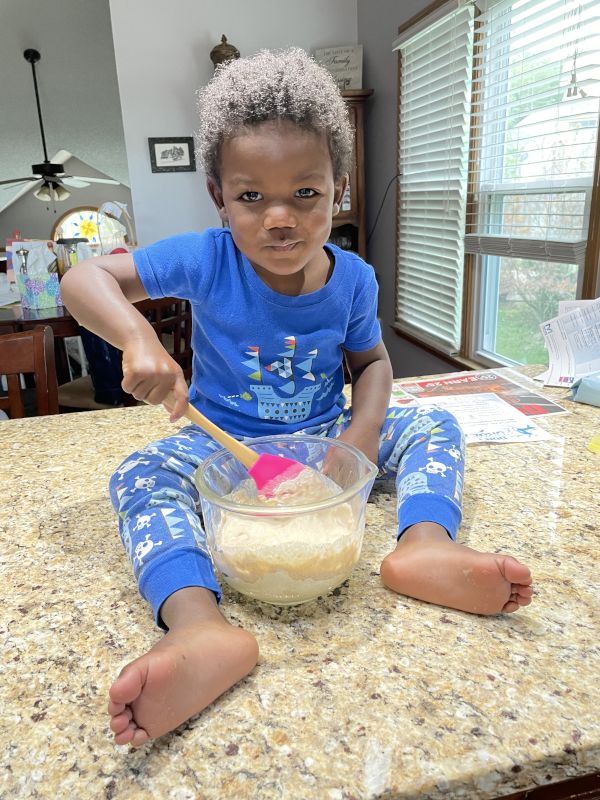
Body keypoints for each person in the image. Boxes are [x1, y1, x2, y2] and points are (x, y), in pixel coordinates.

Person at [61, 48, 533, 748]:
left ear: (338, 190)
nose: (279, 219)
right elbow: (84, 283)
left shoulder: (355, 280)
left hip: (326, 436)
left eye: (304, 193)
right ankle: (198, 626)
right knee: (139, 475)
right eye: (251, 196)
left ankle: (425, 547)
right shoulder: (205, 257)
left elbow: (371, 364)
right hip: (218, 444)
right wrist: (135, 336)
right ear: (219, 198)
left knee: (433, 420)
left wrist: (359, 441)